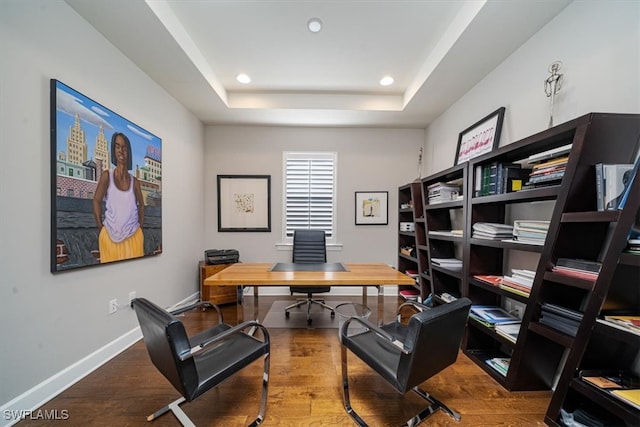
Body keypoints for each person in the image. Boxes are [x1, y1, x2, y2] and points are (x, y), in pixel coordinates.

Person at [93, 132, 145, 263]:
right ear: (113, 150)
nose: (121, 151)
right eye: (117, 147)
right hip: (110, 238)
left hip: (133, 236)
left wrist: (140, 227)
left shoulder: (135, 182)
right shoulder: (107, 176)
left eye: (124, 147)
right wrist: (101, 228)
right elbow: (96, 200)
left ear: (129, 151)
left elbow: (142, 205)